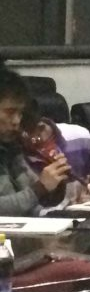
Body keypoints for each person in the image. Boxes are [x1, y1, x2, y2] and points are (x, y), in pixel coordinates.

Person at [0, 69, 71, 216]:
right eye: (10, 112)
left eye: (20, 113)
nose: (16, 121)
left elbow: (31, 204)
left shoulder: (11, 148)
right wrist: (40, 188)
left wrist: (56, 184)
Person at [20, 109, 90, 211]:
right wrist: (71, 209)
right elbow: (25, 210)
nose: (37, 139)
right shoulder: (16, 153)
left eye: (40, 130)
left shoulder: (80, 137)